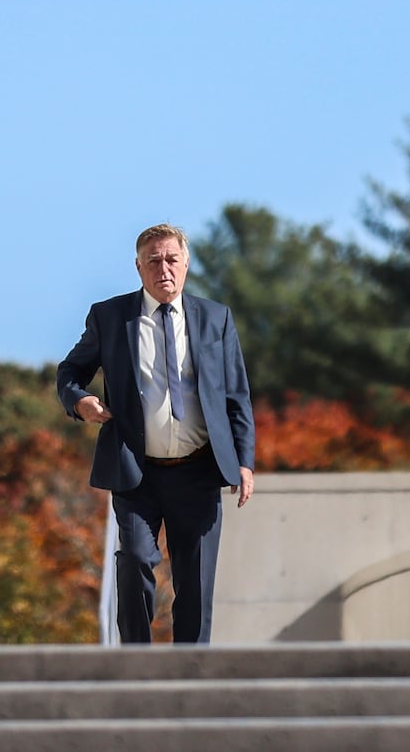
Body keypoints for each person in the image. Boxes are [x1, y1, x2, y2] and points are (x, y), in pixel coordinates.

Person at [56, 223, 256, 643]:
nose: (163, 269)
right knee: (135, 560)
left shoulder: (215, 318)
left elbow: (236, 393)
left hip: (199, 469)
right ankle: (136, 661)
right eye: (153, 261)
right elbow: (70, 371)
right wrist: (80, 401)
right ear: (138, 267)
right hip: (136, 471)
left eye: (171, 259)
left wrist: (244, 460)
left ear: (186, 264)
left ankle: (191, 672)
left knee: (195, 581)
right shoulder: (111, 317)